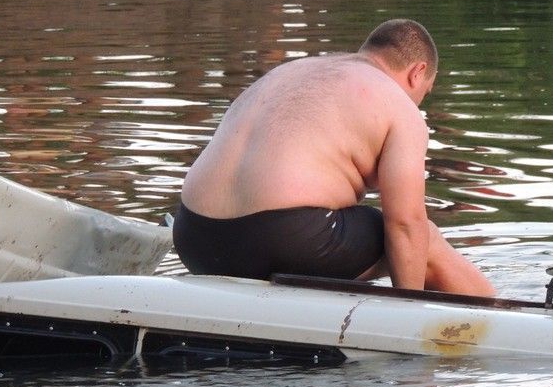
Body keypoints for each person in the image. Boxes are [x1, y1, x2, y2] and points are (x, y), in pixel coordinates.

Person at [173, 19, 496, 297]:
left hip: (195, 238)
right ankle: (499, 315)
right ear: (418, 73)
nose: (418, 105)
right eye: (424, 94)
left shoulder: (290, 71)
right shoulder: (396, 102)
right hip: (284, 239)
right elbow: (405, 223)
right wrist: (407, 310)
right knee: (425, 238)